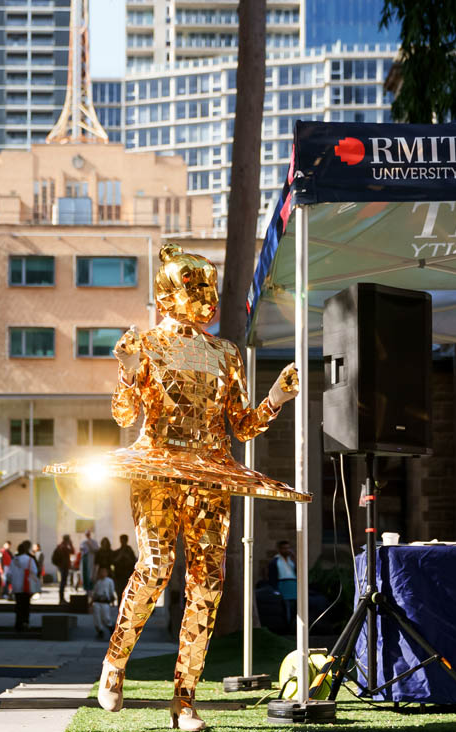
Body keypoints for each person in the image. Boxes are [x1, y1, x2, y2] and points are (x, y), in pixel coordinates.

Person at [45, 243, 308, 731]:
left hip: (211, 474)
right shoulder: (145, 344)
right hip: (158, 469)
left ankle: (185, 699)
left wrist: (277, 396)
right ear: (166, 296)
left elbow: (242, 426)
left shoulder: (226, 353)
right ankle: (115, 663)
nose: (207, 298)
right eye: (195, 287)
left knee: (208, 583)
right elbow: (124, 415)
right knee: (155, 566)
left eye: (210, 287)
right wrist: (125, 370)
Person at [9, 540, 40, 631]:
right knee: (26, 605)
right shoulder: (29, 559)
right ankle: (25, 622)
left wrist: (12, 581)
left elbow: (9, 574)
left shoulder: (14, 560)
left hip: (16, 586)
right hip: (27, 585)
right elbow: (35, 571)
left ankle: (18, 623)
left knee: (18, 605)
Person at [267, 540, 296, 628]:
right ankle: (287, 627)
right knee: (286, 608)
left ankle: (294, 626)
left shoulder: (291, 561)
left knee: (295, 608)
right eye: (284, 548)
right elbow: (272, 576)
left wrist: (295, 558)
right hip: (283, 586)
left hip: (293, 586)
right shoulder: (275, 561)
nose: (286, 550)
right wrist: (275, 589)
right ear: (279, 549)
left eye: (288, 548)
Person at [89, 566, 118, 639]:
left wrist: (112, 600)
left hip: (105, 602)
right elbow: (94, 592)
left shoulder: (109, 581)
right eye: (101, 572)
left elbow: (111, 591)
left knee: (106, 617)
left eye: (104, 572)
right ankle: (100, 631)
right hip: (97, 602)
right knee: (97, 618)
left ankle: (111, 628)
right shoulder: (97, 582)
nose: (102, 573)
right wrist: (91, 603)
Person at [52, 535, 75, 604]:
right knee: (63, 582)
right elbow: (72, 552)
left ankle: (61, 599)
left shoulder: (60, 546)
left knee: (63, 582)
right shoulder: (64, 547)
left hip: (61, 566)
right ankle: (61, 599)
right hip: (64, 567)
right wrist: (71, 544)